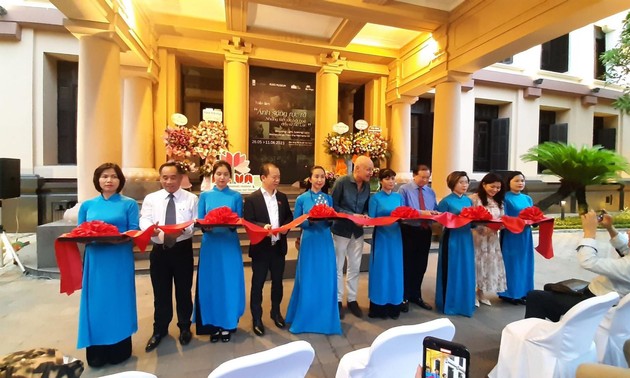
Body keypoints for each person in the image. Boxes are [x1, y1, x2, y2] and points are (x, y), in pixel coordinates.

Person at [77, 163, 139, 367]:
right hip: (96, 261)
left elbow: (134, 231)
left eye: (113, 176)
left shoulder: (129, 204)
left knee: (119, 301)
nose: (109, 180)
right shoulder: (87, 205)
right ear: (98, 180)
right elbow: (80, 232)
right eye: (104, 176)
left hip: (119, 258)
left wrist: (115, 239)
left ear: (120, 180)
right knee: (96, 304)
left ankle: (119, 349)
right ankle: (96, 352)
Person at [525, 210, 630, 321]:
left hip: (595, 304)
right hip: (599, 296)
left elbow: (588, 261)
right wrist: (609, 227)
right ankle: (560, 323)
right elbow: (624, 249)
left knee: (535, 297)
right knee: (549, 288)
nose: (628, 232)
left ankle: (531, 334)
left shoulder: (627, 266)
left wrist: (589, 232)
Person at [140, 161, 198, 352]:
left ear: (181, 178)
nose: (169, 181)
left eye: (173, 177)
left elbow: (193, 223)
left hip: (182, 249)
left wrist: (180, 231)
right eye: (165, 177)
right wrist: (152, 231)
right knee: (161, 292)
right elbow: (145, 219)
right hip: (159, 251)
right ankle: (160, 330)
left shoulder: (191, 199)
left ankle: (184, 327)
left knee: (183, 291)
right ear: (160, 178)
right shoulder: (151, 198)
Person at [285, 165, 342, 334]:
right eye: (316, 176)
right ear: (310, 179)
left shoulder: (328, 198)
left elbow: (332, 219)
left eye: (322, 177)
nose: (319, 180)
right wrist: (310, 221)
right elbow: (296, 221)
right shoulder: (302, 199)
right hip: (309, 240)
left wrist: (330, 220)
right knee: (308, 277)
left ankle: (325, 317)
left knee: (325, 277)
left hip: (325, 240)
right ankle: (305, 317)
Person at [195, 160, 244, 342]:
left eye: (225, 174)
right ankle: (213, 324)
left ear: (230, 177)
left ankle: (228, 323)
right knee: (213, 283)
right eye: (219, 174)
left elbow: (239, 220)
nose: (222, 177)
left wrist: (229, 223)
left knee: (229, 283)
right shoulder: (205, 196)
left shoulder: (236, 196)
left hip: (229, 245)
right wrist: (206, 227)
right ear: (213, 175)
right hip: (211, 246)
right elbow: (200, 220)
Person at [243, 163, 293, 337]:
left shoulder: (282, 197)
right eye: (274, 177)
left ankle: (276, 312)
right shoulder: (252, 199)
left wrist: (286, 226)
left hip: (278, 247)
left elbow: (288, 216)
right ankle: (257, 318)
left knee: (278, 282)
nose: (277, 180)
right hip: (261, 248)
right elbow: (248, 221)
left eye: (279, 177)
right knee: (257, 284)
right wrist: (262, 227)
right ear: (263, 178)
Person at [331, 155, 373, 319]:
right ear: (357, 168)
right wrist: (352, 216)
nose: (371, 172)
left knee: (355, 267)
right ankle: (338, 300)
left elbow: (366, 206)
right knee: (338, 266)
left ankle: (352, 299)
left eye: (371, 169)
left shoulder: (368, 186)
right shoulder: (342, 182)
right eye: (368, 169)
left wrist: (365, 216)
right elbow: (333, 206)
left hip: (357, 232)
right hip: (341, 230)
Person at [398, 164, 438, 312]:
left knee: (421, 265)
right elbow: (402, 211)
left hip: (425, 230)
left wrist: (434, 214)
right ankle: (404, 296)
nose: (425, 180)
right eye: (422, 177)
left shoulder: (430, 192)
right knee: (407, 264)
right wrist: (422, 213)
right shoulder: (404, 190)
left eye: (428, 177)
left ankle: (416, 294)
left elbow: (435, 208)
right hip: (409, 230)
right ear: (414, 175)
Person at [435, 171, 476, 317]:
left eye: (466, 182)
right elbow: (438, 222)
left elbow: (472, 222)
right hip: (452, 239)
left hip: (466, 238)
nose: (464, 185)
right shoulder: (446, 201)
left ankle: (465, 302)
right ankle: (449, 303)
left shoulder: (469, 201)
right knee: (452, 270)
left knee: (466, 269)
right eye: (461, 182)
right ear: (452, 184)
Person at [367, 168, 404, 319]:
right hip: (381, 237)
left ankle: (394, 305)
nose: (391, 182)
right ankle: (378, 306)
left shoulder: (399, 197)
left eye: (393, 179)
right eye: (387, 179)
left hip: (396, 236)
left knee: (395, 269)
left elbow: (403, 214)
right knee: (381, 270)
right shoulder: (375, 198)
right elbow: (371, 219)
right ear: (381, 181)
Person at [469, 172, 507, 306]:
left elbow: (503, 218)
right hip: (477, 237)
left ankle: (481, 292)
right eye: (492, 186)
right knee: (476, 264)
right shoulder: (474, 199)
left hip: (492, 238)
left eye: (498, 187)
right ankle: (471, 293)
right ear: (484, 184)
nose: (495, 190)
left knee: (487, 265)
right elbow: (467, 218)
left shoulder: (499, 201)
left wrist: (502, 225)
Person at [499, 171, 534, 305]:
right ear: (509, 182)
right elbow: (504, 217)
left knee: (525, 263)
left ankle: (525, 292)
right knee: (512, 263)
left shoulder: (527, 198)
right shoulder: (505, 198)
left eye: (522, 181)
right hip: (511, 235)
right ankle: (510, 293)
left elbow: (532, 214)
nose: (520, 183)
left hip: (526, 235)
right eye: (517, 181)